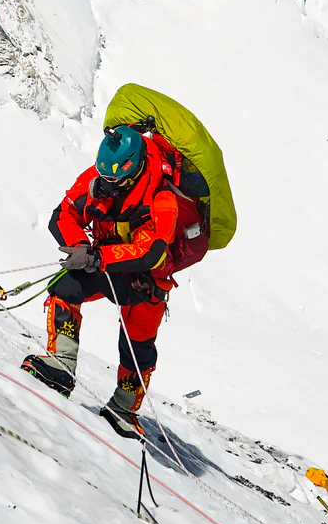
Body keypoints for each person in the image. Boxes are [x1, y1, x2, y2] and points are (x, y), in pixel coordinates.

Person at [21, 124, 207, 438]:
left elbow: (150, 252)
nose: (106, 183)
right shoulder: (98, 177)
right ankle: (61, 366)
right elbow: (63, 213)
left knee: (137, 348)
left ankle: (123, 409)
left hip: (144, 281)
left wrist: (96, 258)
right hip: (105, 262)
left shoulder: (162, 198)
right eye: (104, 176)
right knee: (65, 285)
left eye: (114, 179)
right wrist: (80, 246)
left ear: (133, 172)